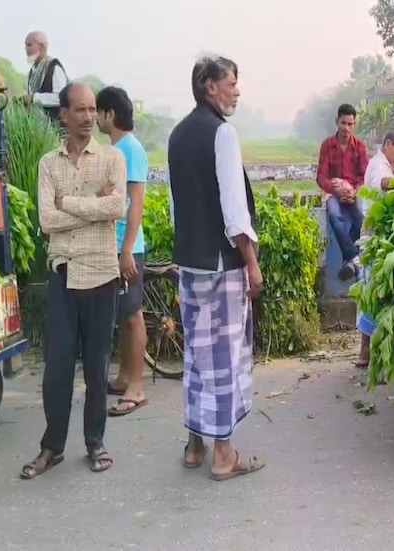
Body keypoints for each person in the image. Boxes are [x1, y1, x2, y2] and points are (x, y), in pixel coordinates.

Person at [20, 82, 126, 479]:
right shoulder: (49, 164)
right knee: (58, 368)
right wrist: (93, 207)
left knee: (97, 368)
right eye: (79, 110)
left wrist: (71, 203)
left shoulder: (113, 158)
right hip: (63, 274)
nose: (87, 117)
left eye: (92, 109)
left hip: (100, 274)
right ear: (63, 114)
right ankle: (52, 446)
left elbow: (116, 206)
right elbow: (47, 220)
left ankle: (95, 442)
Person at [167, 55, 265, 481]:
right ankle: (224, 455)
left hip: (189, 262)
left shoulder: (176, 135)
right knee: (223, 357)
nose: (237, 91)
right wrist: (251, 263)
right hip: (222, 267)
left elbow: (175, 208)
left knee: (196, 354)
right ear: (210, 87)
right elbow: (234, 210)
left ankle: (195, 445)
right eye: (231, 83)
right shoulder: (222, 134)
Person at [95, 86, 150, 417]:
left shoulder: (131, 149)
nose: (94, 118)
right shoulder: (116, 149)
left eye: (96, 112)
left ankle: (136, 388)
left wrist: (127, 249)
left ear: (108, 115)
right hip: (114, 245)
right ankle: (124, 377)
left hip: (127, 247)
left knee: (132, 315)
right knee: (123, 315)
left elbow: (136, 203)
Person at [355, 128, 394, 368]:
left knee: (385, 295)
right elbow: (385, 183)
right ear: (388, 144)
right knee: (371, 293)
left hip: (388, 237)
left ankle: (380, 352)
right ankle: (364, 351)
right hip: (373, 238)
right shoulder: (378, 165)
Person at [316, 104, 369, 281]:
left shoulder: (360, 147)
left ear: (354, 125)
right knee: (334, 214)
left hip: (354, 193)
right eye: (343, 123)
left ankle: (349, 260)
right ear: (337, 122)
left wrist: (354, 191)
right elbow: (321, 177)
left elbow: (364, 176)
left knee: (361, 219)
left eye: (350, 124)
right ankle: (355, 258)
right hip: (334, 194)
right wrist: (336, 190)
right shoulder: (327, 146)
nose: (346, 128)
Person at [21, 31, 68, 126]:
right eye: (25, 45)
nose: (26, 48)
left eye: (29, 45)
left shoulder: (54, 67)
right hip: (36, 127)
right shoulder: (32, 71)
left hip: (55, 129)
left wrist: (34, 98)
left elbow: (61, 98)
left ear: (41, 46)